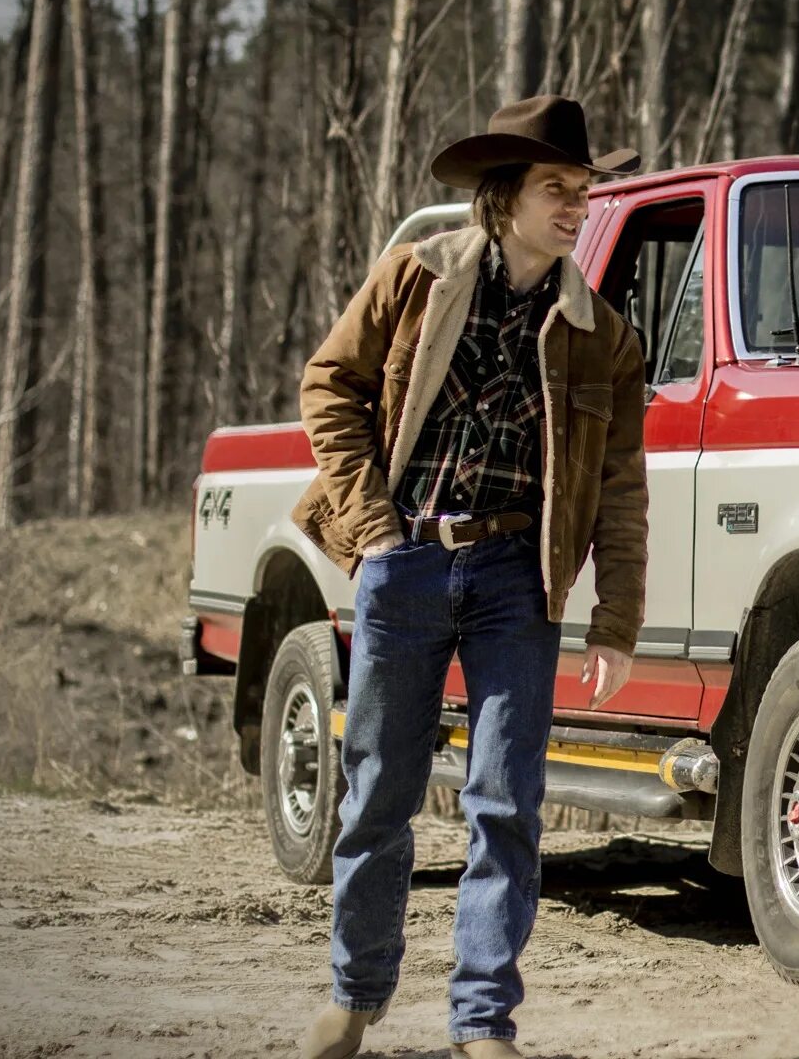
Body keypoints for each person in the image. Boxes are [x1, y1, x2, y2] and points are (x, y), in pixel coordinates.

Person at [288, 95, 649, 1059]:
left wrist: (616, 621)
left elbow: (620, 488)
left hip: (515, 583)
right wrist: (370, 529)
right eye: (557, 188)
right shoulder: (416, 274)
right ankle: (354, 997)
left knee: (506, 806)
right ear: (505, 196)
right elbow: (330, 383)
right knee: (377, 794)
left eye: (583, 189)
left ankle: (482, 1022)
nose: (578, 205)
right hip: (404, 559)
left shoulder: (600, 333)